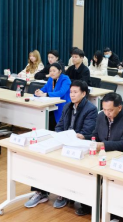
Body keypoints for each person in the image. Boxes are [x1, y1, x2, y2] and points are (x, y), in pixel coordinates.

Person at [27, 80, 99, 210]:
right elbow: (59, 126)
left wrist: (72, 137)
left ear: (83, 93)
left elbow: (87, 132)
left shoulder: (91, 109)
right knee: (42, 156)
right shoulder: (67, 106)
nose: (72, 95)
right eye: (71, 92)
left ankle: (64, 194)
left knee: (63, 163)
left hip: (78, 144)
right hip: (65, 140)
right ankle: (41, 192)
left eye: (75, 92)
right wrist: (61, 136)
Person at [68, 92, 123, 216]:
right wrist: (84, 137)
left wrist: (102, 145)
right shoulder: (101, 115)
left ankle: (111, 210)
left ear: (119, 107)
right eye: (104, 109)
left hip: (118, 157)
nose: (107, 113)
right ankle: (88, 204)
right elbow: (95, 135)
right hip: (101, 155)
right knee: (85, 170)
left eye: (110, 110)